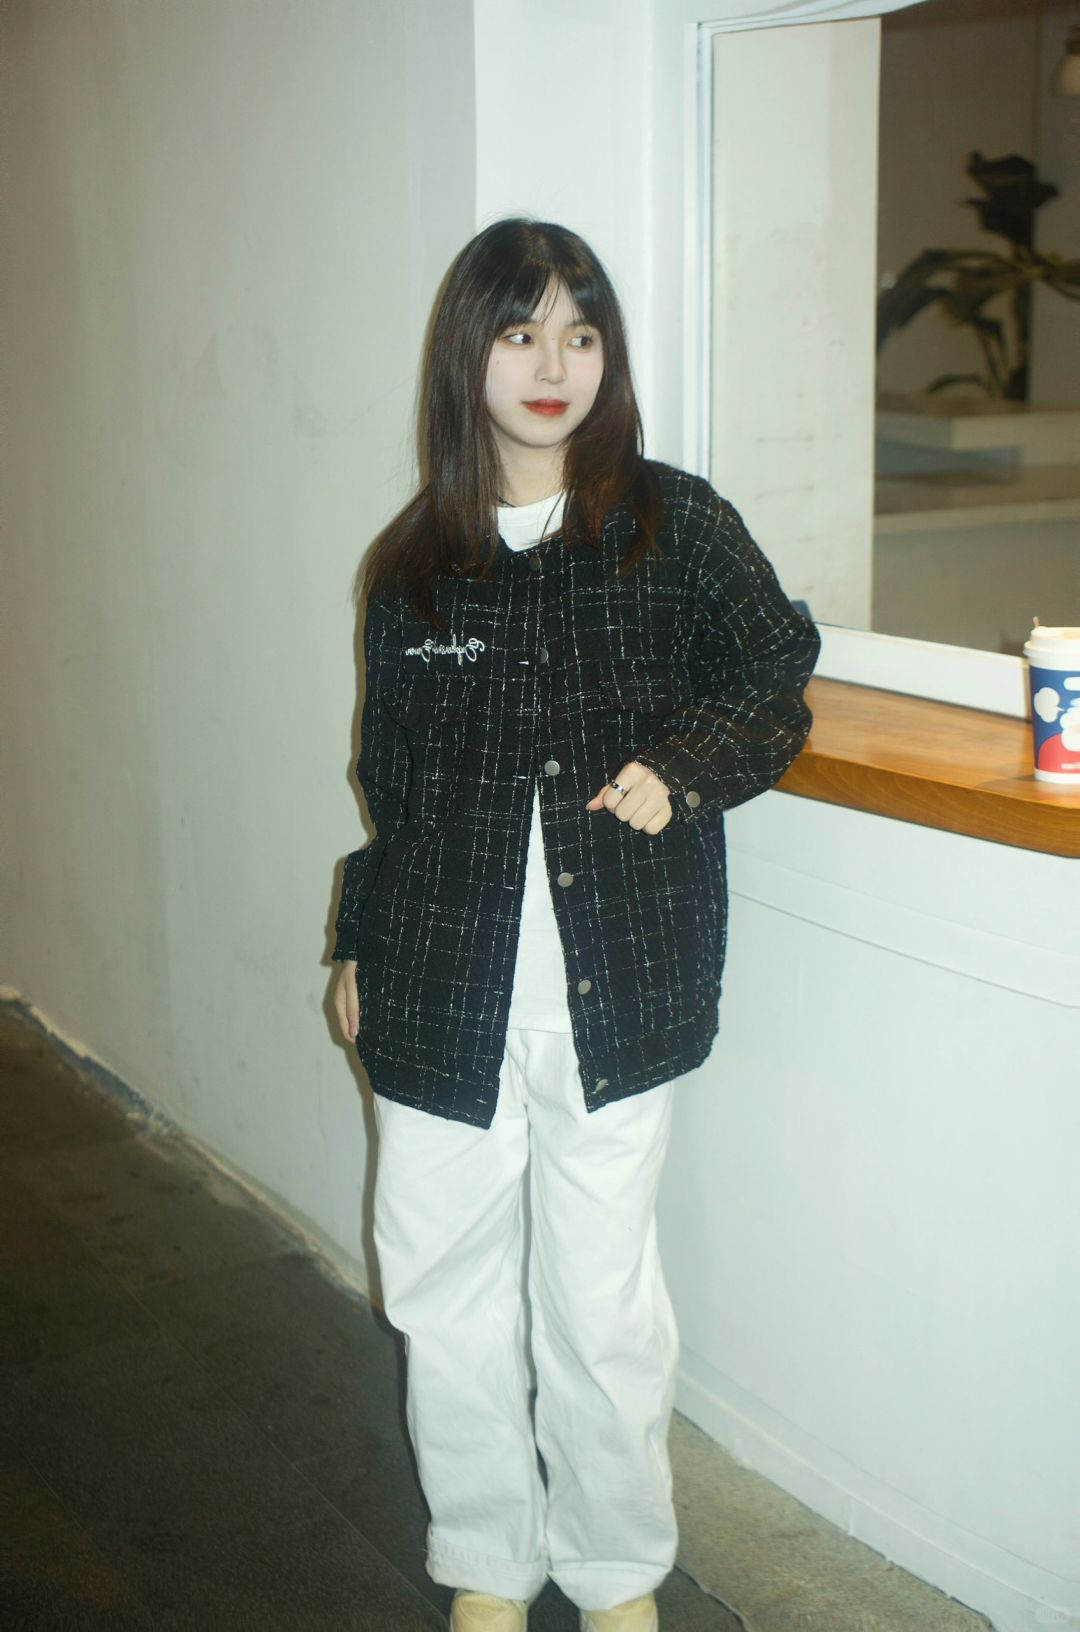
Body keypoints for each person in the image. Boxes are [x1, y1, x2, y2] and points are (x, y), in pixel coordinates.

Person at [331, 218, 821, 1632]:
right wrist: (357, 938)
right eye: (521, 332)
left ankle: (615, 1573)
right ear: (468, 354)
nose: (554, 365)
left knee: (601, 1305)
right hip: (437, 981)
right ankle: (489, 1560)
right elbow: (391, 784)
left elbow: (778, 668)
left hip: (619, 984)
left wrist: (685, 766)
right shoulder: (414, 566)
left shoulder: (673, 526)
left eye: (581, 334)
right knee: (442, 1288)